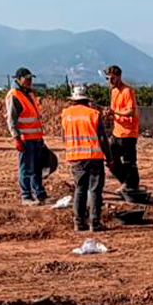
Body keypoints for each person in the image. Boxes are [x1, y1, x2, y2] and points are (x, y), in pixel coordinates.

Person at [60, 85, 107, 233]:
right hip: (94, 157)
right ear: (87, 100)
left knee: (80, 189)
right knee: (94, 190)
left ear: (73, 100)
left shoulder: (66, 115)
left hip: (76, 158)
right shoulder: (93, 114)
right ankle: (94, 222)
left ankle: (78, 222)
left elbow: (64, 137)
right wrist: (110, 157)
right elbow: (102, 138)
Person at [5, 67, 47, 205]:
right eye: (27, 78)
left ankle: (39, 193)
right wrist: (16, 138)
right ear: (19, 79)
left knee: (37, 168)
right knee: (26, 169)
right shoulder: (14, 95)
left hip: (35, 137)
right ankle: (26, 196)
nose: (30, 81)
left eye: (30, 78)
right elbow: (11, 119)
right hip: (25, 139)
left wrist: (40, 137)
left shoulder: (29, 93)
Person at [101, 64, 140, 194]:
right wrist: (109, 114)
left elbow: (130, 112)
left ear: (119, 76)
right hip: (117, 132)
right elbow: (115, 111)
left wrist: (114, 112)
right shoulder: (114, 92)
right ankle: (125, 182)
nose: (110, 81)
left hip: (128, 133)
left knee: (129, 162)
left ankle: (132, 186)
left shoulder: (127, 91)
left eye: (112, 78)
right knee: (111, 159)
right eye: (108, 78)